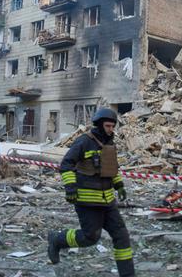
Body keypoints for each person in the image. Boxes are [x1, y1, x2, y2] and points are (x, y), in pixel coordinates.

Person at [47, 107, 134, 276]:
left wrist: (119, 185)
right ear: (100, 125)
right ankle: (57, 240)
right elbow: (66, 165)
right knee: (90, 238)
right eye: (108, 126)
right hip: (88, 201)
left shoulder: (110, 144)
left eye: (112, 126)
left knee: (122, 236)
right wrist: (70, 187)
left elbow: (111, 169)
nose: (111, 129)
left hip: (108, 201)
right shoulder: (84, 141)